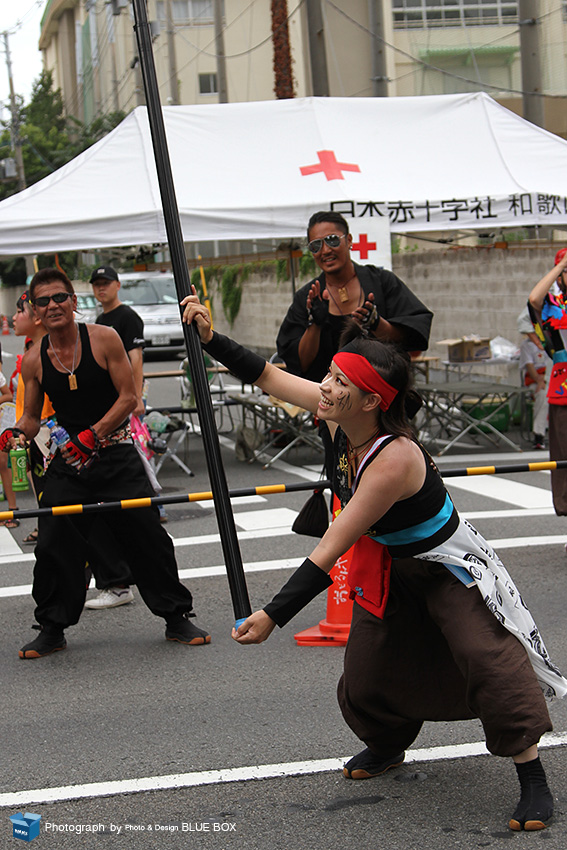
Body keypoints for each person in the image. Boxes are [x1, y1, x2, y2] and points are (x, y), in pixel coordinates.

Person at [182, 288, 566, 832]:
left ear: (371, 401)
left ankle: (532, 778)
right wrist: (210, 339)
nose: (326, 387)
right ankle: (387, 745)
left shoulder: (394, 457)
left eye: (340, 382)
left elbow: (330, 548)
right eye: (331, 377)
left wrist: (273, 614)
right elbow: (267, 377)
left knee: (486, 657)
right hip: (390, 567)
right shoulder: (342, 414)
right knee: (367, 671)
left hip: (447, 567)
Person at [0, 268, 210, 659]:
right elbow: (30, 416)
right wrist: (16, 432)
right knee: (52, 542)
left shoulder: (103, 339)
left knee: (146, 535)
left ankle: (175, 616)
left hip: (114, 450)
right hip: (69, 459)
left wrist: (92, 434)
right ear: (34, 309)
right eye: (43, 301)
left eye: (60, 297)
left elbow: (129, 397)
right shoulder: (33, 360)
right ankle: (52, 626)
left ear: (74, 302)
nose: (53, 306)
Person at [276, 211, 433, 382]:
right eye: (316, 246)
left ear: (349, 240)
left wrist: (376, 323)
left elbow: (411, 336)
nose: (325, 250)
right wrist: (315, 324)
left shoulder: (382, 282)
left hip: (381, 394)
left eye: (332, 240)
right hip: (330, 399)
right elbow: (299, 364)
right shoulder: (307, 298)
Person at [83, 264, 146, 610]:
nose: (100, 289)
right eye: (96, 284)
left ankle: (121, 580)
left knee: (133, 471)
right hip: (105, 407)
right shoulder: (98, 320)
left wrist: (135, 398)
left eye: (105, 283)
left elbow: (135, 358)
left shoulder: (127, 317)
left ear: (117, 285)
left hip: (124, 406)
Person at [528, 248, 567, 519]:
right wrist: (561, 264)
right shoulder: (554, 303)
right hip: (564, 389)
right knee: (564, 460)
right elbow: (533, 298)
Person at [517, 307, 548, 450]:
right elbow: (529, 366)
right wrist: (539, 380)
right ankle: (539, 434)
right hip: (535, 380)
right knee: (543, 395)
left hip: (553, 377)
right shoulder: (527, 346)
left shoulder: (551, 341)